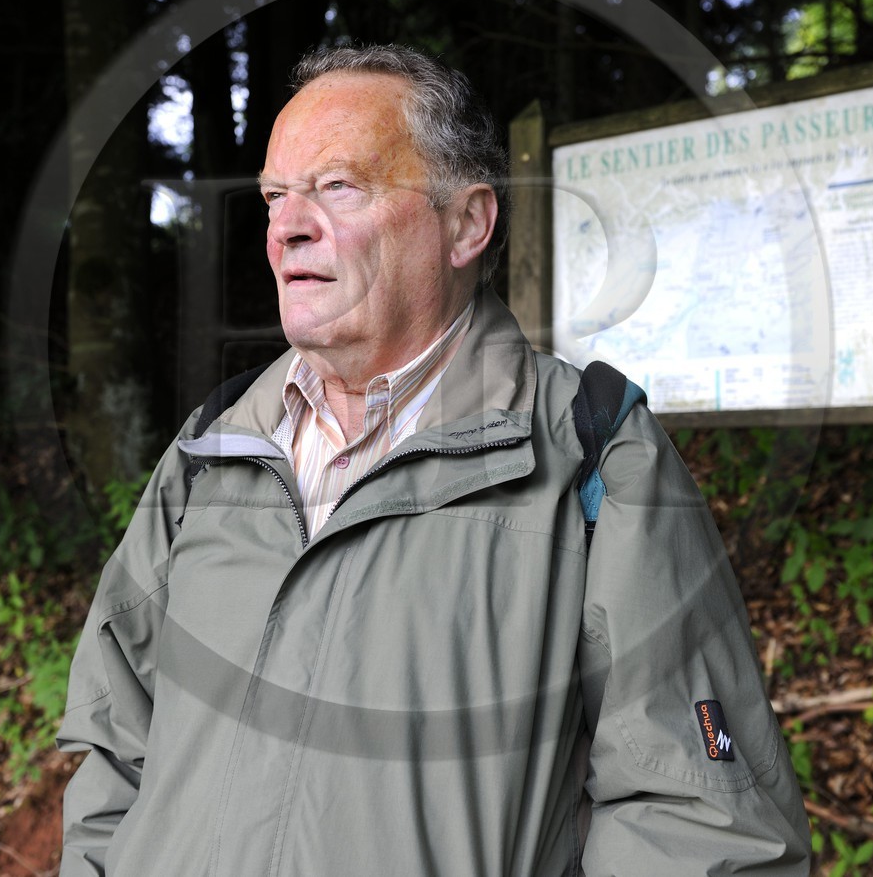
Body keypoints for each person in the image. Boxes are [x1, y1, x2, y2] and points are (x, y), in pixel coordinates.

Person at [57, 44, 812, 876]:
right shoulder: (210, 451)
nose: (286, 226)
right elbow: (114, 759)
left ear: (466, 224)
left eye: (338, 186)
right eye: (275, 194)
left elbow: (699, 825)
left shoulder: (589, 455)